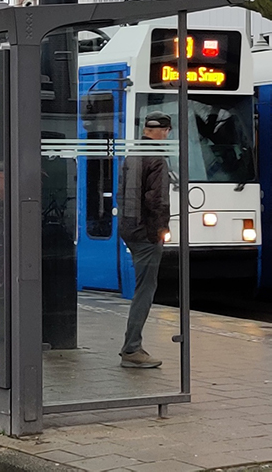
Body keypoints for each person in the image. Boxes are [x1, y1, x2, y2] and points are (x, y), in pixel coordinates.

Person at [117, 111, 172, 369]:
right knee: (145, 289)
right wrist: (161, 230)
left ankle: (132, 346)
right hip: (146, 234)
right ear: (163, 131)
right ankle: (132, 349)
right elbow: (157, 200)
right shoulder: (157, 159)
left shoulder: (132, 155)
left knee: (143, 287)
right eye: (168, 132)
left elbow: (122, 194)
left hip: (129, 229)